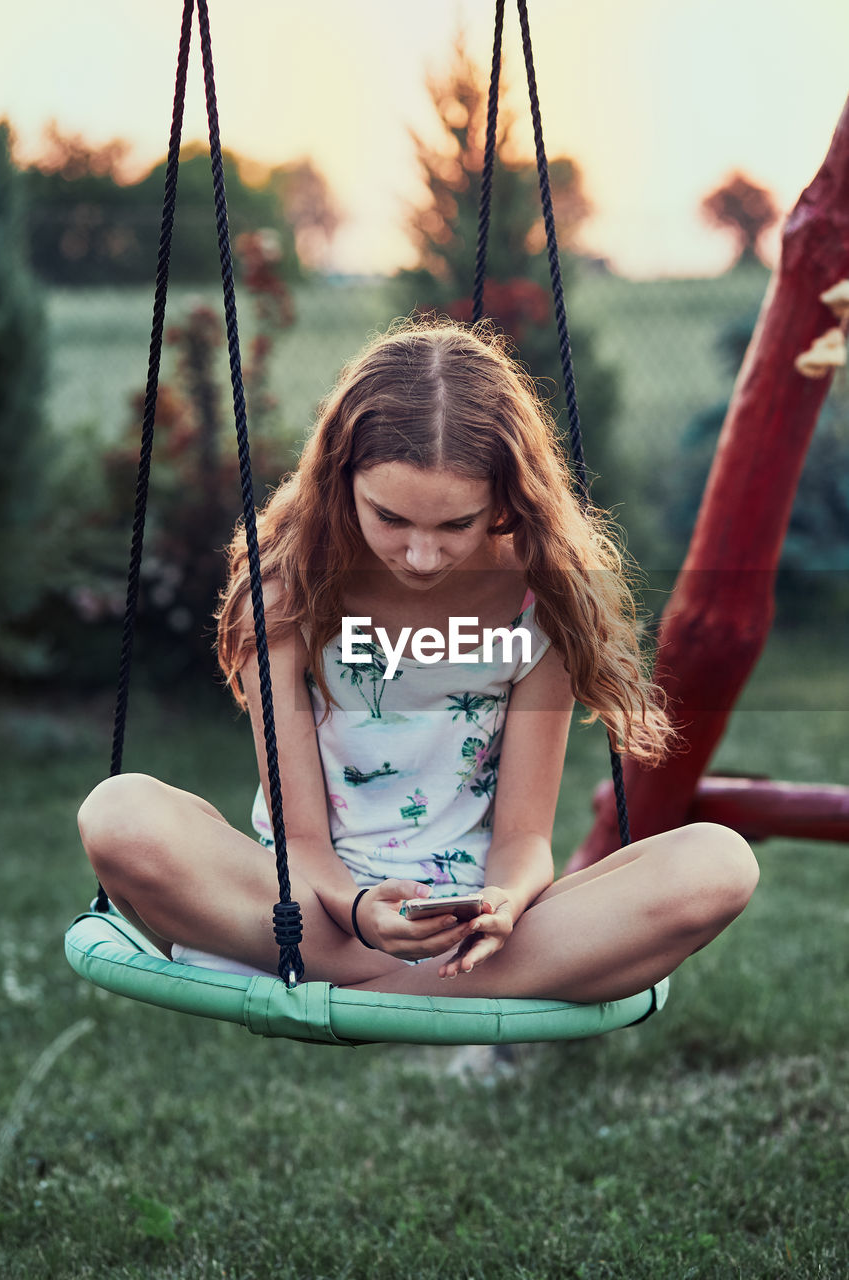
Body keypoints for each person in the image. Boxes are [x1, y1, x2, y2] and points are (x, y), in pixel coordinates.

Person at [78, 320, 759, 1003]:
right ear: (339, 480)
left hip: (471, 929)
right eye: (391, 519)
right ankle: (439, 988)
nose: (422, 556)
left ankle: (384, 989)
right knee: (119, 813)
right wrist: (358, 909)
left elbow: (524, 838)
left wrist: (504, 904)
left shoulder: (538, 601)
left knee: (716, 864)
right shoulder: (286, 595)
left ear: (505, 496)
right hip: (312, 910)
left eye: (455, 525)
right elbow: (302, 837)